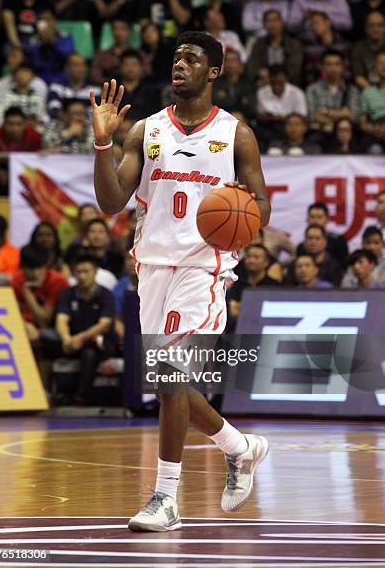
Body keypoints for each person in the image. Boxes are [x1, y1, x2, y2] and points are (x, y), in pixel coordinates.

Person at [90, 30, 271, 531]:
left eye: (192, 59)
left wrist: (244, 207)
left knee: (171, 375)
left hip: (205, 265)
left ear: (214, 71)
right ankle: (240, 447)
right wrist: (103, 142)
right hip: (151, 265)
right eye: (176, 58)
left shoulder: (236, 134)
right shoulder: (144, 131)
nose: (181, 65)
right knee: (170, 382)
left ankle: (166, 499)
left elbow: (263, 207)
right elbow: (110, 202)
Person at [44, 253, 115, 405]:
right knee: (43, 338)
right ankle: (46, 394)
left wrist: (79, 338)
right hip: (72, 341)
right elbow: (61, 320)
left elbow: (104, 324)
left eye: (86, 271)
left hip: (95, 342)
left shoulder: (106, 295)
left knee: (89, 354)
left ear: (95, 272)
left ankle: (80, 396)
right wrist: (66, 339)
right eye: (78, 272)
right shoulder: (68, 294)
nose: (82, 276)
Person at [10, 244, 68, 341]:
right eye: (31, 269)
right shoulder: (16, 281)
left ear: (46, 266)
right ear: (22, 267)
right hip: (24, 327)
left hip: (53, 330)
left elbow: (44, 322)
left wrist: (27, 293)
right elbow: (9, 314)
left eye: (40, 268)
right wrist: (23, 325)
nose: (35, 273)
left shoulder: (58, 282)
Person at [306, 50, 361, 143]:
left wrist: (326, 112)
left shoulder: (352, 90)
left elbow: (354, 116)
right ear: (322, 67)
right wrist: (342, 113)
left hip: (346, 134)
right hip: (320, 132)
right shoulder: (312, 89)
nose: (333, 68)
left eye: (337, 64)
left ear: (343, 67)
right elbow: (312, 116)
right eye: (329, 64)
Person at [0, 106, 41, 195]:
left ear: (25, 125)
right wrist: (0, 173)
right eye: (10, 124)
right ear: (4, 124)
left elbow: (37, 161)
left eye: (18, 124)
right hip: (2, 171)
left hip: (26, 172)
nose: (14, 129)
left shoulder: (35, 137)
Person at [247, 9, 303, 87]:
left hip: (289, 84)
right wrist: (259, 73)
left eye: (275, 20)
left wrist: (274, 78)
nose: (272, 24)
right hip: (263, 83)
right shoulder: (258, 44)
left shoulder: (293, 43)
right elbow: (252, 65)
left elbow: (294, 68)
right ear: (264, 25)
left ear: (282, 23)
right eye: (268, 21)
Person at [228, 244, 281, 321]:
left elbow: (274, 311)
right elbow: (233, 311)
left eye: (256, 257)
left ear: (266, 262)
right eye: (248, 257)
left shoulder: (274, 286)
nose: (251, 260)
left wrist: (243, 307)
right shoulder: (237, 285)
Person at [256, 65, 307, 145]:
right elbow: (260, 115)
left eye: (280, 81)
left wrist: (284, 118)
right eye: (274, 82)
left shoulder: (297, 93)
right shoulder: (262, 92)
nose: (277, 85)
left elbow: (302, 116)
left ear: (286, 79)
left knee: (295, 126)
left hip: (290, 124)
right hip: (269, 125)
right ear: (269, 79)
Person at [26, 10, 75, 85]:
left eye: (49, 19)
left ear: (54, 22)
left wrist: (53, 40)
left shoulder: (65, 36)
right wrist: (41, 41)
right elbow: (34, 62)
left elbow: (66, 54)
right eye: (42, 20)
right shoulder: (34, 39)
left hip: (61, 75)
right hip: (40, 77)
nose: (46, 23)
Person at [303, 11, 350, 87]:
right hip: (318, 89)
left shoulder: (343, 44)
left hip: (342, 88)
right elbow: (309, 75)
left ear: (328, 23)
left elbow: (347, 71)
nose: (313, 27)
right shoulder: (310, 48)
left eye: (316, 23)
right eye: (311, 25)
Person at [47, 53, 100, 119]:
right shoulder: (56, 88)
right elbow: (53, 111)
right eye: (76, 65)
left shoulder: (95, 91)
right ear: (67, 68)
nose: (81, 69)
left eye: (83, 65)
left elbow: (94, 115)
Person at [0, 63, 47, 129]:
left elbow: (42, 119)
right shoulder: (6, 96)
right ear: (15, 75)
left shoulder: (38, 98)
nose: (21, 75)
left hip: (32, 134)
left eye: (25, 72)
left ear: (33, 76)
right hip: (10, 133)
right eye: (19, 72)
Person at [297, 202, 349, 267]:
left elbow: (343, 266)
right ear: (307, 220)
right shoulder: (301, 247)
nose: (315, 221)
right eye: (312, 217)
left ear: (327, 219)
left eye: (319, 217)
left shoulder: (338, 241)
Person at [212, 49, 256, 123]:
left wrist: (226, 100)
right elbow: (215, 103)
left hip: (244, 120)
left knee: (238, 118)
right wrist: (239, 102)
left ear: (240, 64)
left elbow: (252, 108)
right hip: (220, 119)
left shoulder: (248, 84)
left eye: (234, 61)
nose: (230, 64)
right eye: (228, 61)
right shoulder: (216, 82)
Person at [117, 50, 160, 121]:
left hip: (143, 129)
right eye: (126, 64)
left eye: (134, 64)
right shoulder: (113, 89)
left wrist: (134, 125)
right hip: (116, 128)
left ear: (141, 67)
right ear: (120, 67)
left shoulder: (151, 90)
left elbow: (155, 116)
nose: (130, 68)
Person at [90, 19, 132, 86]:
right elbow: (94, 75)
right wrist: (110, 84)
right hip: (107, 90)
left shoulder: (139, 55)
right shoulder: (101, 55)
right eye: (115, 28)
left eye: (123, 29)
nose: (119, 32)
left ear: (129, 31)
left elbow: (146, 73)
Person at [351, 11, 385, 90]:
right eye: (372, 25)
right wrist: (373, 94)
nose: (376, 29)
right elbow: (358, 76)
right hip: (367, 90)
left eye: (380, 25)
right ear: (366, 28)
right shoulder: (358, 48)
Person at [360, 51, 385, 148]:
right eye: (380, 63)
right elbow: (363, 124)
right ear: (375, 67)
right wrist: (375, 129)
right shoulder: (367, 93)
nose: (384, 66)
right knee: (374, 149)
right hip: (376, 132)